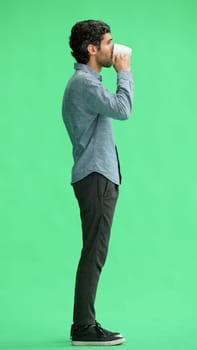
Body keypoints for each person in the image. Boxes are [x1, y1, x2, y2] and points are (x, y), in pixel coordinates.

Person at [62, 19, 134, 346]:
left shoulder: (87, 83)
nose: (112, 48)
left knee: (93, 252)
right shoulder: (85, 85)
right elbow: (123, 108)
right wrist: (125, 71)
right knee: (94, 253)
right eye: (108, 43)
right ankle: (83, 328)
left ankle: (84, 323)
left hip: (97, 177)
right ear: (92, 49)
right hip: (96, 178)